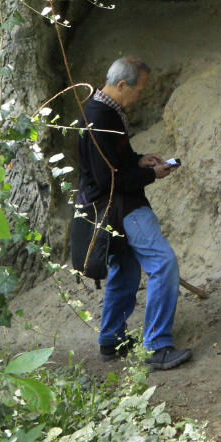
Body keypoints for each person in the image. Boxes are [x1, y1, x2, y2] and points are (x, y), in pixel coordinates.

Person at [76, 55, 191, 370]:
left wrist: (139, 161)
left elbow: (114, 162)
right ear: (122, 85)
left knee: (126, 272)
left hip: (110, 204)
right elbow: (108, 179)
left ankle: (111, 339)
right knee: (163, 264)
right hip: (118, 206)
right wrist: (151, 175)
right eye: (138, 90)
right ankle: (158, 346)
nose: (140, 96)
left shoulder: (107, 111)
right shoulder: (100, 118)